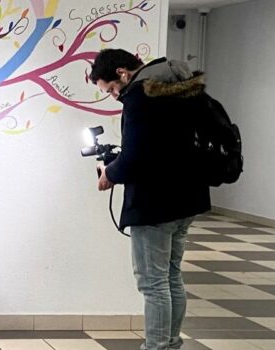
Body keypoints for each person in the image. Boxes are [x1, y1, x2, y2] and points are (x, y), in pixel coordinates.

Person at [89, 49, 211, 350]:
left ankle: (156, 347)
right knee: (171, 277)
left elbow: (136, 159)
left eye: (112, 89)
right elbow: (162, 147)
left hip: (155, 203)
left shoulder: (141, 97)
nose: (115, 96)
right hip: (189, 197)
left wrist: (109, 173)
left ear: (122, 73)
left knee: (153, 283)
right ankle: (170, 344)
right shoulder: (181, 89)